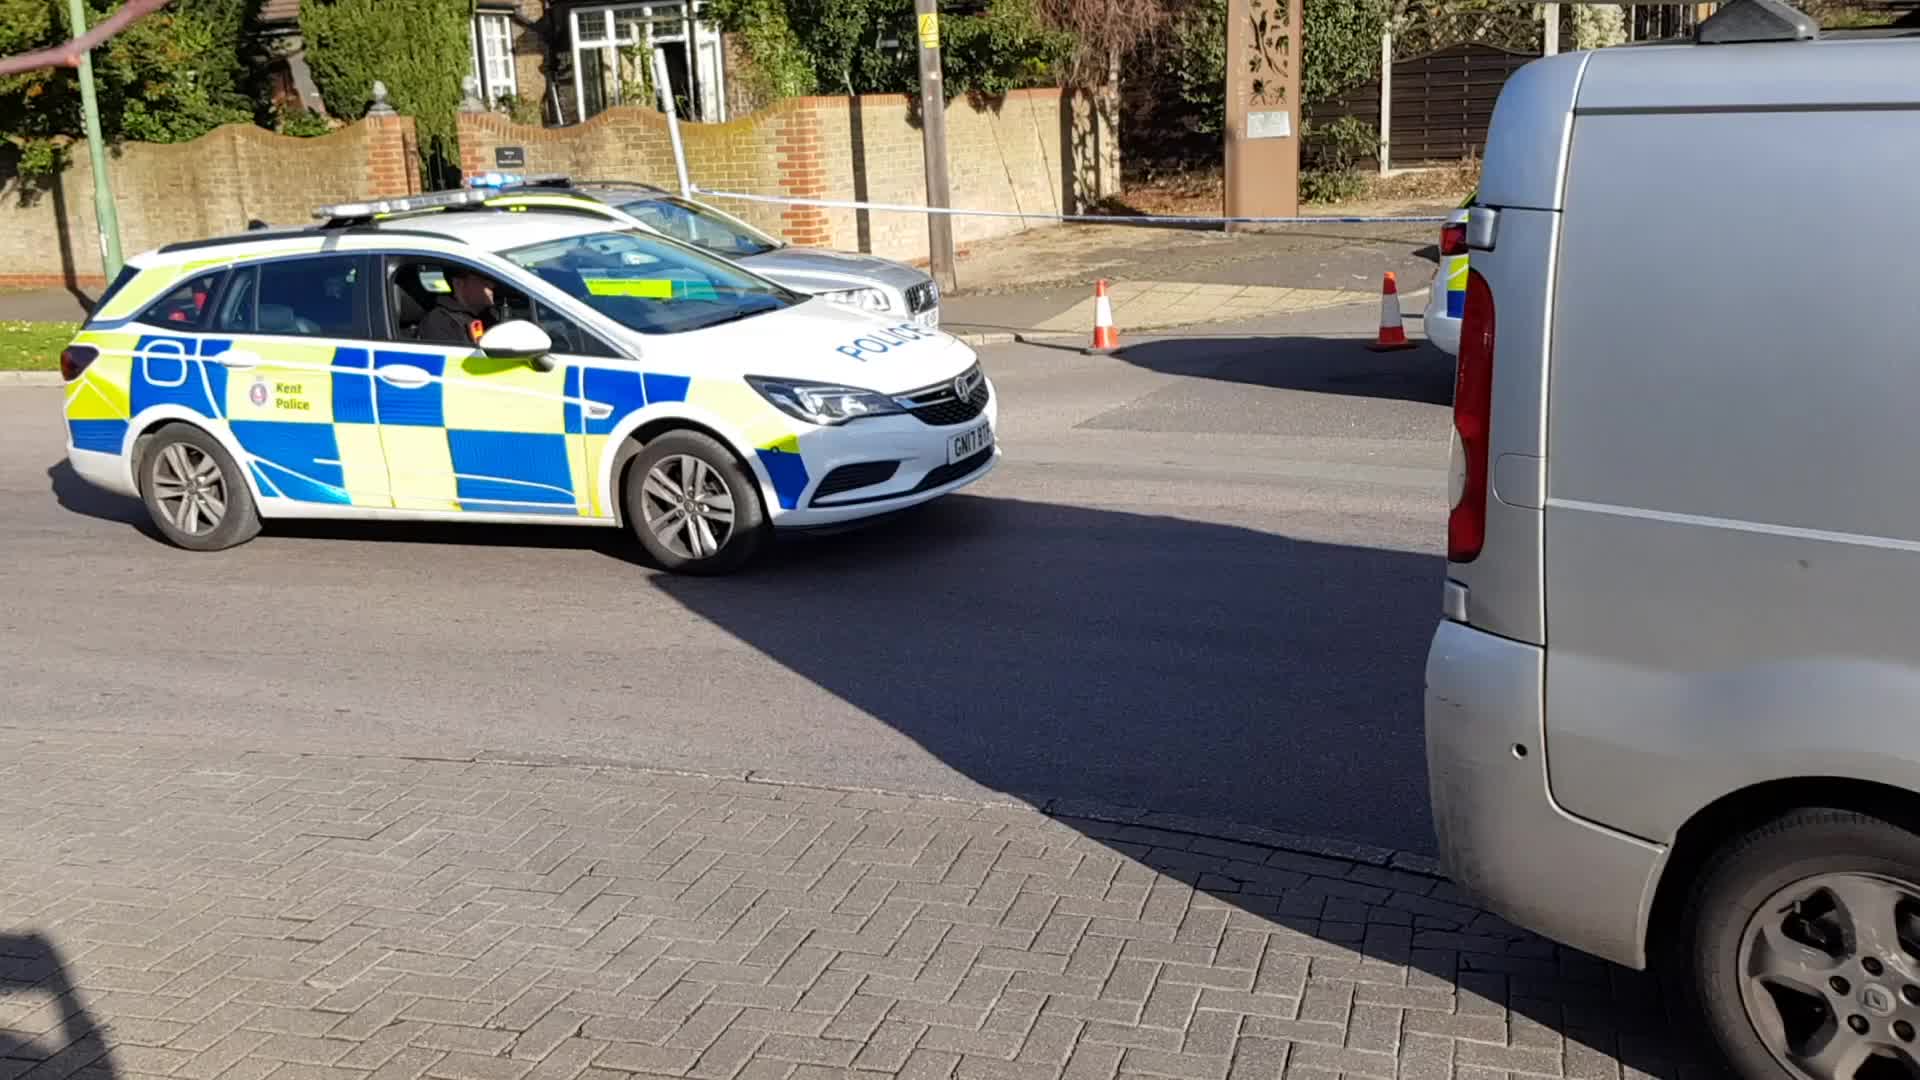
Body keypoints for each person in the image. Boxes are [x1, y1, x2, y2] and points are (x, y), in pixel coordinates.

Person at [414, 266, 498, 346]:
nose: (492, 285)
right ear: (458, 284)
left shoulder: (491, 315)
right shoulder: (439, 321)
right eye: (483, 279)